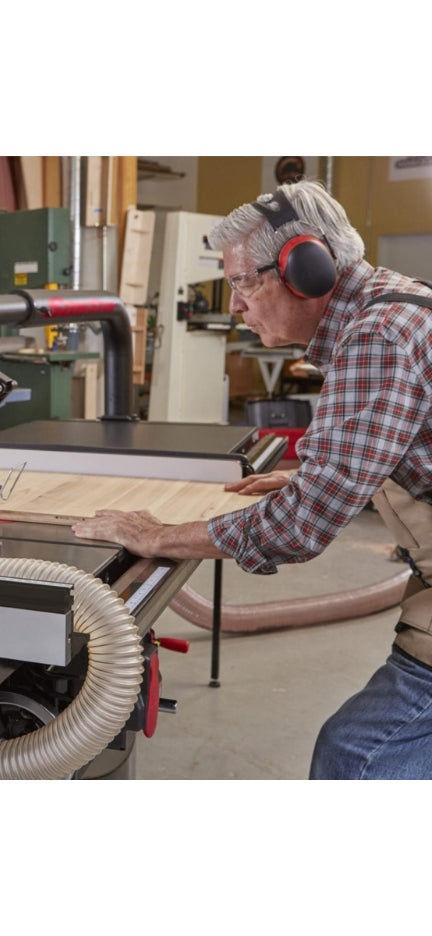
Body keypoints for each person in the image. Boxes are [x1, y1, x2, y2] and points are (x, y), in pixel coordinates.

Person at [71, 178, 432, 780]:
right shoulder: (395, 301)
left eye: (242, 281)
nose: (235, 304)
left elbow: (302, 528)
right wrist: (313, 475)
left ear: (306, 268)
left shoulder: (376, 336)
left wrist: (163, 535)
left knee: (357, 757)